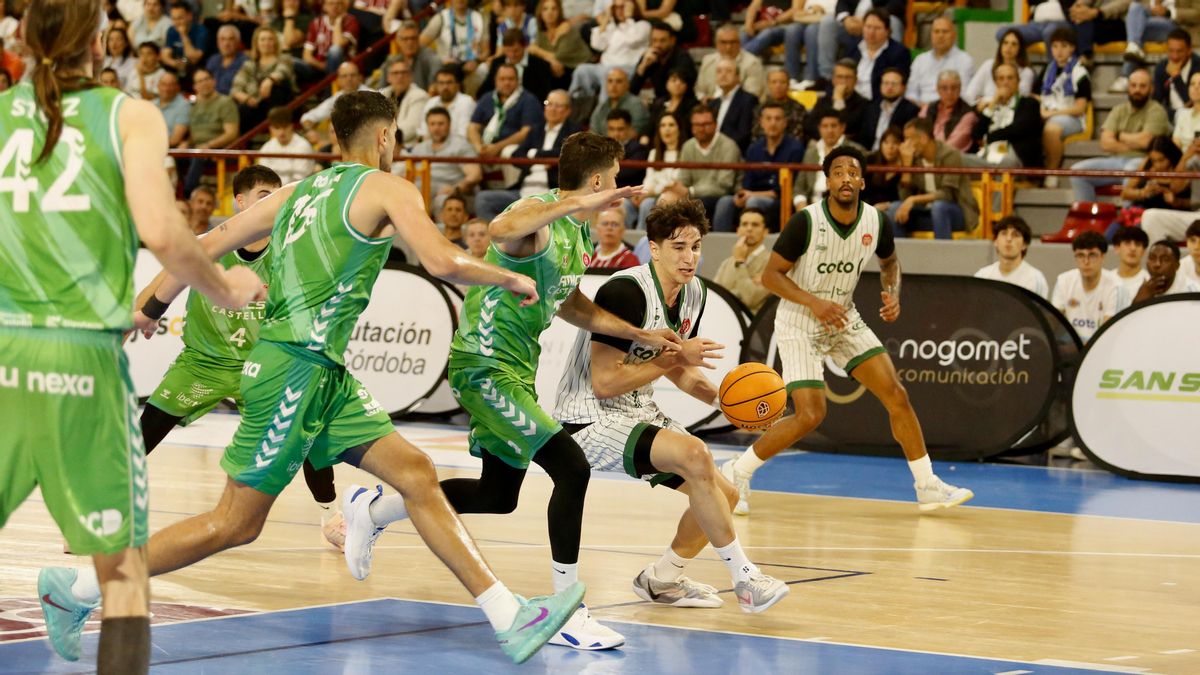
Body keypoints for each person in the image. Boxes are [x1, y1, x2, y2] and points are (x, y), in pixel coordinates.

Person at [40, 90, 586, 667]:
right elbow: (443, 261)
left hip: (324, 373)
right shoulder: (388, 188)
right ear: (384, 136)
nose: (396, 146)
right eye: (396, 137)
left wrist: (149, 310)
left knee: (417, 473)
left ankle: (509, 615)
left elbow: (207, 244)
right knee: (234, 524)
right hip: (291, 369)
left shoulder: (301, 190)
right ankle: (78, 589)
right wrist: (506, 279)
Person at [345, 131, 684, 650]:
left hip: (515, 370)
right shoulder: (542, 213)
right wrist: (578, 201)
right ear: (596, 181)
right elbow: (501, 229)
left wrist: (639, 335)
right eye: (613, 178)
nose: (616, 188)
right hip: (484, 366)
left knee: (497, 496)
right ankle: (568, 609)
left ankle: (372, 512)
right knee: (572, 467)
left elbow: (570, 304)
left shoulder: (578, 235)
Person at [9, 2, 262, 672]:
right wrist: (227, 287)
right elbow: (164, 231)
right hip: (80, 358)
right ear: (99, 43)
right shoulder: (128, 114)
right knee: (121, 569)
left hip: (5, 350)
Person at [557, 198, 789, 611]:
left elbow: (677, 370)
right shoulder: (625, 291)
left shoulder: (693, 293)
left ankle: (661, 579)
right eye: (678, 246)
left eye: (696, 246)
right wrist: (677, 356)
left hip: (635, 411)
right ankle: (746, 579)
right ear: (655, 248)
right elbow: (605, 382)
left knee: (726, 495)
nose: (689, 257)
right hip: (586, 416)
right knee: (696, 454)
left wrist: (727, 403)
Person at [719, 146, 974, 515]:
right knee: (811, 414)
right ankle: (736, 472)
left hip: (843, 317)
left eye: (852, 172)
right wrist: (814, 303)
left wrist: (893, 293)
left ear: (862, 181)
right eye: (838, 172)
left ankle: (927, 485)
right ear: (828, 180)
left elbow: (890, 263)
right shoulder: (805, 222)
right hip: (800, 321)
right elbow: (771, 276)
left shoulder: (876, 221)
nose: (845, 178)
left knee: (896, 394)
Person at [133, 167, 347, 547]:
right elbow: (158, 285)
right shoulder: (209, 244)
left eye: (279, 196)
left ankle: (332, 516)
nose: (275, 204)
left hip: (264, 363)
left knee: (309, 434)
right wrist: (143, 315)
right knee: (145, 431)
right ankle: (102, 514)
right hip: (204, 362)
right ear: (240, 202)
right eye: (265, 195)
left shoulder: (290, 250)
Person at [474, 90, 579, 221]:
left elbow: (565, 154)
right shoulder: (536, 130)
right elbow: (517, 155)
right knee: (483, 199)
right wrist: (538, 164)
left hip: (552, 193)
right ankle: (500, 239)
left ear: (568, 111)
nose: (552, 109)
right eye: (549, 104)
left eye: (558, 106)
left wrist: (534, 154)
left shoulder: (574, 132)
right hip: (523, 192)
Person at [1071, 68, 1171, 203]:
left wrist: (1118, 136)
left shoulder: (1157, 110)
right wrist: (1135, 143)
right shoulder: (1118, 110)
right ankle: (1086, 218)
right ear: (1128, 87)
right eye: (1133, 85)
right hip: (1115, 160)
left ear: (1151, 89)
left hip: (1143, 161)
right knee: (1077, 172)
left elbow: (1146, 142)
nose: (1137, 90)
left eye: (1142, 86)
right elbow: (1105, 143)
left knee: (1130, 170)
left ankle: (1127, 219)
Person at [714, 102, 805, 232]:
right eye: (768, 119)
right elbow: (747, 181)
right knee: (725, 202)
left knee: (754, 202)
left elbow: (784, 189)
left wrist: (752, 195)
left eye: (777, 119)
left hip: (779, 199)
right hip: (752, 194)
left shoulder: (795, 148)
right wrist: (743, 195)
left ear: (785, 123)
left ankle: (750, 242)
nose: (773, 123)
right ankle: (720, 247)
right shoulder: (754, 148)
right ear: (761, 122)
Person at [890, 117, 979, 239]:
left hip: (957, 213)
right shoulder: (914, 159)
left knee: (939, 207)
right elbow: (904, 198)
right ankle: (899, 256)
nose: (904, 145)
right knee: (895, 208)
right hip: (928, 213)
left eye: (909, 139)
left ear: (923, 138)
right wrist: (906, 168)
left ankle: (943, 256)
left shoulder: (950, 155)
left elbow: (947, 195)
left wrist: (913, 200)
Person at [662, 106, 742, 218]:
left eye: (706, 124)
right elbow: (684, 179)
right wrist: (675, 188)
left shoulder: (728, 146)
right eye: (696, 125)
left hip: (722, 196)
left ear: (715, 124)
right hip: (694, 195)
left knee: (719, 202)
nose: (701, 128)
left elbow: (725, 185)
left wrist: (690, 191)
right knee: (665, 198)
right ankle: (659, 235)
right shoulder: (688, 146)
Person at [1036, 26, 1092, 188]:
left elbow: (1080, 108)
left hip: (1072, 118)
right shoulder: (1047, 70)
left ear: (1072, 48)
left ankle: (1052, 171)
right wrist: (1043, 111)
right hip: (1048, 113)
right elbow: (1040, 96)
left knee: (1051, 129)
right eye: (1055, 46)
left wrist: (1052, 113)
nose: (1059, 51)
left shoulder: (1079, 72)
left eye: (1064, 46)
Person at [1052, 231, 1129, 342]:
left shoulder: (1116, 287)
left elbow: (1106, 335)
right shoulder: (1064, 280)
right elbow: (1053, 322)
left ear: (1102, 256)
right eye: (1080, 255)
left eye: (1092, 255)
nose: (1086, 262)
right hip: (1069, 346)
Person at [569, 0, 650, 100]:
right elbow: (597, 45)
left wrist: (629, 17)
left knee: (610, 74)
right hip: (604, 66)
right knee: (582, 70)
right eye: (616, 8)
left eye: (623, 7)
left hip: (627, 68)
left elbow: (632, 40)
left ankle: (603, 109)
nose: (620, 11)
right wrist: (606, 18)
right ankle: (577, 106)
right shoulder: (612, 27)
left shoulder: (643, 25)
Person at [969, 62, 1045, 168]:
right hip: (987, 157)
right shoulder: (990, 106)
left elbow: (1017, 130)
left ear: (1018, 82)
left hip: (1016, 159)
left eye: (1010, 78)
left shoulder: (1029, 103)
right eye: (1001, 78)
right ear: (996, 83)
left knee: (1006, 163)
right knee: (955, 159)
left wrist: (989, 138)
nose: (1005, 82)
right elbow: (976, 135)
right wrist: (993, 104)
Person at [468, 62, 544, 162]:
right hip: (485, 145)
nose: (506, 83)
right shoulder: (487, 98)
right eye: (502, 79)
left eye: (511, 79)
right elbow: (472, 127)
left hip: (511, 146)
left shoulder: (529, 100)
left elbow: (526, 132)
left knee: (509, 152)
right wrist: (479, 147)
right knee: (464, 148)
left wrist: (497, 147)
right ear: (495, 81)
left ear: (518, 81)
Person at [182, 68, 241, 195]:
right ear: (195, 86)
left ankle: (187, 193)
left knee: (199, 154)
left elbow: (231, 133)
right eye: (199, 81)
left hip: (220, 149)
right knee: (173, 154)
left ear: (214, 81)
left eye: (206, 79)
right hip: (197, 148)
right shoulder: (193, 104)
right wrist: (186, 143)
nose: (204, 83)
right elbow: (194, 133)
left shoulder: (225, 102)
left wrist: (209, 146)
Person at [410, 107, 482, 212]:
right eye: (432, 124)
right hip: (421, 193)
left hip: (449, 194)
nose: (436, 128)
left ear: (449, 125)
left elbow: (475, 175)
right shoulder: (419, 148)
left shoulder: (461, 145)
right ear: (427, 126)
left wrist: (455, 189)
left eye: (440, 124)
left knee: (443, 201)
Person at [231, 26, 297, 133]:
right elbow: (235, 89)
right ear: (256, 43)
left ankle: (277, 127)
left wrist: (269, 80)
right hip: (257, 105)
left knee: (277, 87)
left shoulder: (284, 58)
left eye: (270, 39)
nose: (266, 43)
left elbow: (282, 72)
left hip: (282, 104)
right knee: (242, 108)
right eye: (262, 39)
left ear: (275, 42)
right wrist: (247, 99)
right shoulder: (249, 64)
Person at [796, 111, 866, 210]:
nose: (829, 130)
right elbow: (799, 188)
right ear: (819, 129)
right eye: (825, 126)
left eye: (833, 126)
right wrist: (802, 208)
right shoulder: (811, 152)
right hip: (812, 206)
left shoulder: (856, 151)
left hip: (844, 206)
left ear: (842, 127)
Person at [1112, 6, 1185, 95]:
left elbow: (1197, 12)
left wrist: (1169, 12)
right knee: (1135, 7)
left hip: (1175, 25)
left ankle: (1126, 74)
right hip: (1147, 20)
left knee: (1136, 26)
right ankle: (1134, 46)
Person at [974, 216, 1050, 298]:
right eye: (1004, 233)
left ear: (1024, 244)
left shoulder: (1035, 279)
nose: (1009, 239)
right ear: (995, 241)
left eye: (1015, 235)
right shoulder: (982, 276)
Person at [713, 207, 772, 312]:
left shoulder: (771, 263)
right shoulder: (727, 263)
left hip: (752, 325)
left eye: (755, 225)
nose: (749, 229)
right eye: (744, 224)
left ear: (766, 231)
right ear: (738, 230)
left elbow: (751, 298)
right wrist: (741, 291)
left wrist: (740, 262)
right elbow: (715, 297)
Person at [631, 111, 683, 227]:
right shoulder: (654, 153)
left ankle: (644, 240)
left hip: (674, 198)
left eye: (671, 125)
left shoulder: (685, 152)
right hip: (652, 195)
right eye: (663, 125)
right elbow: (649, 181)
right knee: (623, 203)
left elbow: (674, 184)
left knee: (647, 204)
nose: (667, 129)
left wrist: (650, 193)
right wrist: (642, 193)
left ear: (679, 129)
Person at [845, 9, 911, 101]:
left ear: (887, 31)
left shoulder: (899, 53)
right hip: (851, 101)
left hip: (877, 103)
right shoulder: (853, 48)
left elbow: (896, 86)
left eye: (877, 28)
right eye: (868, 27)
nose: (871, 32)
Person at [907, 16, 974, 106]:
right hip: (920, 110)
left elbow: (963, 94)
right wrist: (921, 106)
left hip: (951, 111)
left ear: (954, 35)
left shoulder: (964, 60)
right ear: (931, 35)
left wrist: (936, 109)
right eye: (936, 31)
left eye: (945, 31)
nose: (940, 35)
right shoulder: (920, 60)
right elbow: (911, 92)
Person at [803, 59, 869, 148]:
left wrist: (839, 101)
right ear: (833, 80)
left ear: (855, 80)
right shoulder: (823, 101)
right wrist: (828, 138)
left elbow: (851, 128)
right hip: (823, 146)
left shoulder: (863, 104)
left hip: (849, 149)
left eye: (848, 77)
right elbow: (810, 127)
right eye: (840, 77)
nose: (844, 81)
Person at [528, 0, 592, 92]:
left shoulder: (566, 28)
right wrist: (550, 59)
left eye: (554, 9)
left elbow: (559, 56)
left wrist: (537, 51)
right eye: (545, 9)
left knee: (546, 67)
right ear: (540, 13)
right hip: (557, 69)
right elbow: (531, 50)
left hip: (576, 67)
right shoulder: (542, 31)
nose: (550, 12)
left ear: (559, 12)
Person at [478, 28, 554, 102]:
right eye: (508, 51)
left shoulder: (540, 65)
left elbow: (545, 95)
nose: (512, 55)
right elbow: (486, 89)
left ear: (524, 47)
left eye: (516, 51)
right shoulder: (497, 63)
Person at [964, 27, 1035, 106]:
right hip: (984, 113)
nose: (1009, 47)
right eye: (1005, 43)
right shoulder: (988, 65)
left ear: (1020, 49)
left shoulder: (1026, 72)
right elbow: (969, 95)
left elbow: (1020, 100)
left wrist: (985, 99)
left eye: (1014, 44)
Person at [696, 23, 765, 101]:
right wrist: (703, 98)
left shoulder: (753, 63)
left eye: (733, 42)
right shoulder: (708, 60)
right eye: (724, 42)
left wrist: (719, 103)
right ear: (716, 43)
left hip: (739, 108)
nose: (728, 47)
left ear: (740, 43)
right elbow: (699, 90)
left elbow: (752, 94)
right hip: (708, 108)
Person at [632, 20, 698, 101]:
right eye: (654, 40)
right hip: (659, 103)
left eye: (662, 40)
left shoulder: (682, 58)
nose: (657, 45)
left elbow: (676, 90)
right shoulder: (649, 56)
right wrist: (642, 67)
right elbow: (633, 91)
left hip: (682, 102)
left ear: (672, 40)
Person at [917, 70, 977, 154]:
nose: (949, 92)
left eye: (954, 88)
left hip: (950, 161)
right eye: (944, 88)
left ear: (960, 89)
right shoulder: (928, 108)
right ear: (937, 89)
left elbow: (950, 148)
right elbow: (917, 135)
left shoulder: (968, 115)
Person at [707, 58, 760, 152]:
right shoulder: (712, 104)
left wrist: (719, 148)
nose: (723, 75)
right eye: (719, 71)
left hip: (735, 152)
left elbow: (744, 134)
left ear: (738, 77)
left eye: (728, 71)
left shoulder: (748, 100)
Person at [861, 67, 918, 152]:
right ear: (880, 86)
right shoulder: (871, 107)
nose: (889, 87)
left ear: (903, 87)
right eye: (886, 83)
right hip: (869, 154)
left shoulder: (911, 110)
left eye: (894, 84)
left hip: (895, 155)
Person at [374, 20, 441, 92]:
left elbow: (434, 87)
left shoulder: (429, 57)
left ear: (418, 39)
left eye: (413, 38)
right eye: (405, 39)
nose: (410, 42)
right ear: (398, 41)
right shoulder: (392, 61)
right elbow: (380, 91)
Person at [380, 59, 432, 146]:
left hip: (407, 146)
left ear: (411, 76)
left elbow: (411, 128)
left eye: (404, 73)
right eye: (395, 73)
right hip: (384, 143)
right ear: (388, 77)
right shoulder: (381, 94)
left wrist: (383, 137)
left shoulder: (419, 96)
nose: (400, 76)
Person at [258, 107, 316, 184]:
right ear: (271, 129)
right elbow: (263, 177)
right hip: (273, 191)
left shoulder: (303, 146)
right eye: (277, 128)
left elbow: (300, 179)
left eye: (285, 127)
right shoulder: (266, 148)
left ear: (291, 126)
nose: (281, 132)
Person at [1148, 29, 1200, 114]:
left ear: (1189, 50)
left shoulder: (1198, 67)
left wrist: (1176, 78)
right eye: (1171, 51)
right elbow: (1156, 102)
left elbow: (1194, 102)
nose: (1174, 56)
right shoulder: (1162, 67)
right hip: (1169, 117)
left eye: (1179, 51)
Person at [1133, 238, 1200, 302]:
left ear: (1177, 265)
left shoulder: (1193, 291)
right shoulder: (1139, 288)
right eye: (1152, 258)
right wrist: (1138, 302)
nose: (1157, 264)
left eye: (1165, 259)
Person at [590, 67, 651, 137]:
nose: (613, 86)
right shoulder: (601, 106)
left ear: (627, 85)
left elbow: (635, 133)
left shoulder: (636, 105)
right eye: (610, 81)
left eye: (619, 81)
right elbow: (593, 132)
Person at [304, 0, 360, 75]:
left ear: (343, 6)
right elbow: (307, 55)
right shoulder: (316, 23)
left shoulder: (351, 21)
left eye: (338, 3)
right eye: (331, 3)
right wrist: (323, 66)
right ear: (324, 6)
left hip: (343, 67)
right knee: (291, 61)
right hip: (318, 65)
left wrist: (338, 22)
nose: (335, 6)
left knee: (335, 50)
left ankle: (331, 83)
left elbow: (338, 43)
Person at [754, 67, 808, 143]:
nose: (778, 86)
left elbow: (798, 136)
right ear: (768, 85)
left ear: (788, 85)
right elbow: (756, 135)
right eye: (774, 82)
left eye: (782, 82)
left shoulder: (798, 109)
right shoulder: (760, 109)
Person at [161, 1, 207, 79]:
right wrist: (175, 63)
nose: (177, 22)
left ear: (190, 16)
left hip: (196, 69)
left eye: (180, 18)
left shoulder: (201, 31)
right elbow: (165, 55)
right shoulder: (172, 30)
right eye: (174, 19)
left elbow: (194, 58)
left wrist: (183, 35)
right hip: (177, 66)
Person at [863, 125, 903, 211]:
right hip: (870, 209)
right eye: (886, 142)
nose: (890, 147)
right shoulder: (871, 160)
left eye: (895, 143)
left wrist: (888, 205)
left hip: (894, 210)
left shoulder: (906, 165)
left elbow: (904, 197)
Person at [1109, 225, 1151, 296]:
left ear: (1143, 251)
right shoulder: (1106, 280)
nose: (1133, 248)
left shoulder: (1149, 281)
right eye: (1127, 243)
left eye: (1137, 244)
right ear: (1117, 248)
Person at [206, 25, 249, 95]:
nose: (226, 43)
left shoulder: (245, 62)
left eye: (231, 39)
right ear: (217, 42)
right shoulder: (212, 60)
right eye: (222, 39)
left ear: (238, 42)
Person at [156, 71, 191, 150]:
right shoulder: (151, 105)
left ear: (177, 87)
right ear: (158, 86)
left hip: (169, 151)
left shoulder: (183, 106)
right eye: (163, 84)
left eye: (171, 85)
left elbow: (175, 140)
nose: (166, 88)